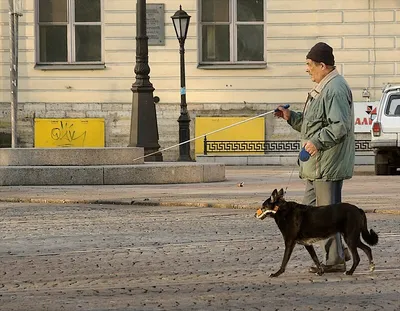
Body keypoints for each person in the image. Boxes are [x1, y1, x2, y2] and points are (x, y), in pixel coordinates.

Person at [274, 42, 355, 273]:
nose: (306, 69)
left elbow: (339, 127)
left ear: (322, 65)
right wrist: (290, 117)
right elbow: (312, 125)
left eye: (309, 65)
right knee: (308, 215)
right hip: (315, 166)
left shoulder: (335, 89)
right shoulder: (323, 86)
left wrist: (317, 143)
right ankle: (341, 252)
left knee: (327, 215)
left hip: (326, 165)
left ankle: (335, 260)